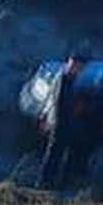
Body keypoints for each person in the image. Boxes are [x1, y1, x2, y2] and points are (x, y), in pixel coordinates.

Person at [37, 54, 89, 190]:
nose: (77, 69)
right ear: (70, 64)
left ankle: (49, 184)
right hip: (59, 122)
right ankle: (44, 184)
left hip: (62, 122)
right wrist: (74, 109)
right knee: (53, 155)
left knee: (57, 155)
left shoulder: (71, 79)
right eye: (75, 66)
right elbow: (59, 102)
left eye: (80, 67)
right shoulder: (63, 79)